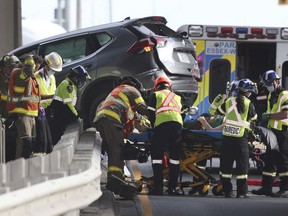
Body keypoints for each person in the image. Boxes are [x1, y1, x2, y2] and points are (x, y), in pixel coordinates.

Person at [93, 76, 148, 199]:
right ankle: (115, 180)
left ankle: (118, 178)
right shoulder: (131, 89)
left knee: (114, 149)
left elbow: (138, 120)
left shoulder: (119, 94)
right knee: (116, 150)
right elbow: (143, 108)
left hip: (102, 119)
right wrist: (156, 114)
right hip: (111, 119)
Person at [217, 78, 258, 198]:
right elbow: (253, 121)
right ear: (247, 92)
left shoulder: (229, 101)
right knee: (242, 168)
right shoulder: (248, 103)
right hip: (241, 139)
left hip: (227, 138)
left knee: (226, 167)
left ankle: (227, 191)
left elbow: (219, 112)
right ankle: (241, 192)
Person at [251, 70, 288, 198]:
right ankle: (266, 187)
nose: (267, 87)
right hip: (272, 131)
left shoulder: (284, 94)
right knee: (269, 160)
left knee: (282, 161)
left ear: (276, 81)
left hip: (283, 132)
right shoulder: (272, 94)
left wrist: (270, 116)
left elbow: (285, 114)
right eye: (266, 85)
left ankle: (285, 188)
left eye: (269, 84)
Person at [147, 76, 183, 196]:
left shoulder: (156, 95)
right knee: (174, 159)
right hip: (177, 126)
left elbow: (150, 113)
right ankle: (172, 188)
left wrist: (153, 127)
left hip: (161, 126)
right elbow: (182, 114)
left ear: (156, 86)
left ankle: (158, 188)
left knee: (157, 158)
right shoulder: (177, 97)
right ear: (169, 86)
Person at [48, 65, 90, 146]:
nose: (81, 82)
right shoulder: (67, 85)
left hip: (62, 115)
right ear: (75, 77)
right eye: (80, 79)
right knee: (56, 140)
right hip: (58, 116)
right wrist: (76, 117)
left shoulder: (72, 86)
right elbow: (69, 104)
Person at [8, 56, 40, 159]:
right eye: (36, 66)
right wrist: (30, 61)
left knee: (31, 143)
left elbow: (34, 97)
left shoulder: (33, 78)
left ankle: (26, 169)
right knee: (25, 143)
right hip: (23, 113)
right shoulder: (20, 73)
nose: (38, 68)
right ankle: (19, 169)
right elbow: (27, 69)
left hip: (32, 114)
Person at [33, 52, 63, 155]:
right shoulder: (36, 76)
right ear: (46, 65)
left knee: (50, 141)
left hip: (49, 111)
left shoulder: (52, 78)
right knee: (42, 140)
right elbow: (35, 95)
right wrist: (51, 97)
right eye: (52, 69)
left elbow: (53, 92)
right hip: (39, 111)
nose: (53, 72)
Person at [0, 54, 21, 161]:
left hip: (12, 117)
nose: (14, 69)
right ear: (4, 67)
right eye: (11, 67)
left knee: (12, 145)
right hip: (2, 118)